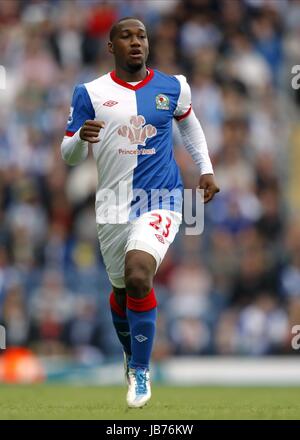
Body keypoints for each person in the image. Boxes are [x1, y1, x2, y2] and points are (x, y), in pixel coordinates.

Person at [61, 17, 219, 408]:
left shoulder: (173, 86)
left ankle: (143, 373)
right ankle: (132, 357)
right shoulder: (90, 92)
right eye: (126, 37)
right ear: (111, 46)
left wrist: (206, 169)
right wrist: (82, 138)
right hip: (112, 206)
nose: (136, 42)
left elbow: (191, 128)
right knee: (121, 290)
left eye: (142, 36)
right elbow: (68, 155)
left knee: (138, 274)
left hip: (161, 199)